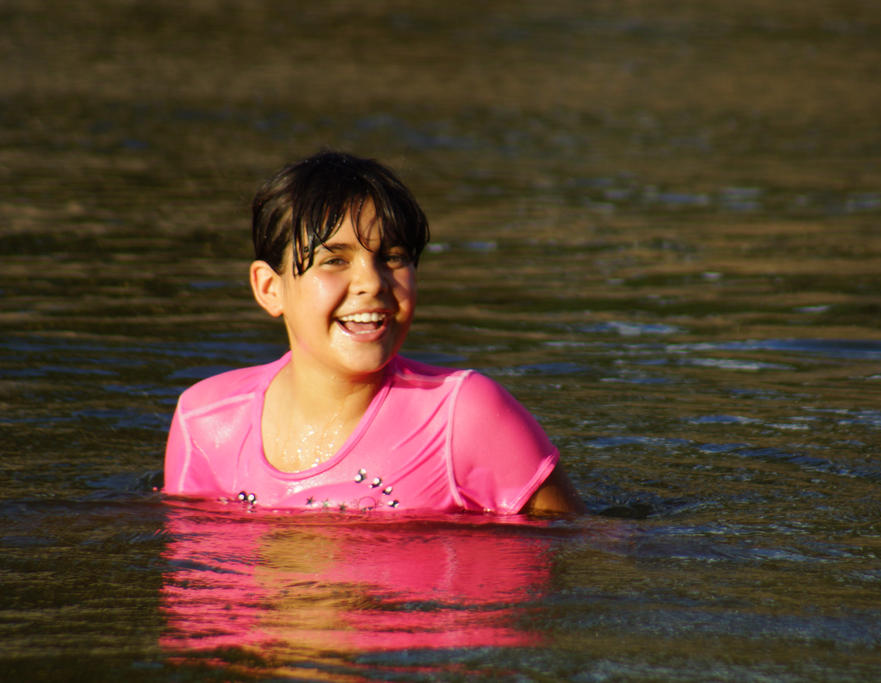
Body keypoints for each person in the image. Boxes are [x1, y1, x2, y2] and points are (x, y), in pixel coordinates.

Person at [164, 150, 584, 515]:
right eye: (335, 260)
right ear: (270, 289)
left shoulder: (463, 417)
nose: (373, 283)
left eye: (393, 257)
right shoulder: (206, 423)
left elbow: (576, 550)